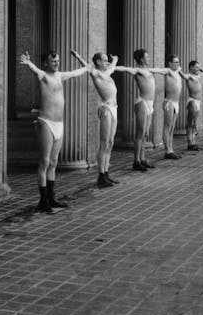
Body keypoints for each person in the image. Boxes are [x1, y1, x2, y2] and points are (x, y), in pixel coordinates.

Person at [19, 50, 89, 212]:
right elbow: (34, 70)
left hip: (59, 124)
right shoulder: (43, 76)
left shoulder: (59, 76)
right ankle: (43, 201)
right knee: (44, 161)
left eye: (57, 60)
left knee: (54, 161)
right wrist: (29, 62)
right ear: (45, 63)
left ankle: (51, 197)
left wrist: (87, 67)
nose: (57, 63)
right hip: (46, 122)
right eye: (53, 61)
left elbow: (75, 73)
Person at [71, 50, 121, 188]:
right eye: (104, 60)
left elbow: (112, 66)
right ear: (98, 62)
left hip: (114, 108)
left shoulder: (107, 72)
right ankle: (101, 176)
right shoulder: (96, 73)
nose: (107, 62)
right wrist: (78, 56)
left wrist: (115, 58)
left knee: (110, 143)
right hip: (106, 109)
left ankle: (106, 173)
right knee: (104, 143)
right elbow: (87, 66)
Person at [114, 48, 157, 172]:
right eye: (147, 57)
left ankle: (142, 159)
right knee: (140, 132)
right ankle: (136, 161)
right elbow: (125, 69)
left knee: (145, 134)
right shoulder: (137, 70)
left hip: (150, 104)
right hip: (142, 103)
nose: (149, 59)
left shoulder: (148, 70)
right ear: (142, 59)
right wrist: (112, 66)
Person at [148, 54, 188, 160]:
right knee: (167, 126)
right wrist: (147, 69)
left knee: (172, 128)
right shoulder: (168, 71)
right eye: (175, 62)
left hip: (176, 103)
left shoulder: (178, 71)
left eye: (178, 62)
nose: (177, 64)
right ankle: (168, 151)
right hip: (169, 102)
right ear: (170, 63)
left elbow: (182, 72)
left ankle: (171, 149)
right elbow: (158, 70)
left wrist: (181, 71)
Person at [184, 61, 203, 151]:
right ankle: (189, 143)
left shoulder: (198, 76)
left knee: (194, 124)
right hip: (192, 101)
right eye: (196, 67)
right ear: (191, 67)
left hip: (197, 101)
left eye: (198, 67)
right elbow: (184, 76)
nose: (198, 69)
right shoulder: (189, 76)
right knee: (190, 123)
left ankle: (193, 142)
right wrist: (178, 70)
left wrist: (200, 70)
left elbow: (200, 72)